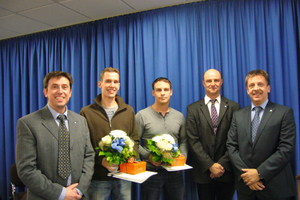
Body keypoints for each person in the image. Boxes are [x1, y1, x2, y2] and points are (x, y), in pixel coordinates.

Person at [16, 71, 95, 200]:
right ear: (45, 92)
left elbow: (89, 157)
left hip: (77, 196)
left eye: (64, 87)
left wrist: (79, 190)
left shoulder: (81, 121)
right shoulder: (27, 123)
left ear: (70, 92)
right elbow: (27, 170)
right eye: (54, 87)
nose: (60, 91)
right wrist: (61, 193)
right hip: (44, 196)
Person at [226, 69, 297, 199]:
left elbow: (286, 149)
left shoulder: (284, 113)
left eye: (260, 84)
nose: (256, 88)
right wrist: (248, 176)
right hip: (246, 187)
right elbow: (231, 146)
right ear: (247, 90)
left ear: (268, 88)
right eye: (251, 85)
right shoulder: (238, 115)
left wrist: (259, 173)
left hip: (275, 187)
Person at [79, 67, 140, 200]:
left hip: (124, 176)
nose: (112, 85)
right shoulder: (86, 112)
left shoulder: (128, 110)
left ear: (119, 85)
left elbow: (135, 139)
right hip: (98, 178)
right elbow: (82, 145)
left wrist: (132, 157)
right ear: (100, 84)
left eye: (115, 82)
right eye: (108, 81)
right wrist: (101, 161)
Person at [186, 69, 240, 200]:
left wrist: (221, 165)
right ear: (203, 83)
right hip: (203, 172)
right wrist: (210, 165)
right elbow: (193, 140)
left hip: (226, 170)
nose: (213, 83)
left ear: (221, 82)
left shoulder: (234, 107)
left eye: (216, 80)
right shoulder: (193, 109)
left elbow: (236, 139)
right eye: (209, 81)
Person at [136, 77, 188, 200]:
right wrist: (148, 156)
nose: (163, 93)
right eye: (159, 90)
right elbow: (134, 142)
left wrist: (183, 157)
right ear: (153, 92)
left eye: (166, 89)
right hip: (151, 172)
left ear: (171, 92)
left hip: (175, 172)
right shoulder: (142, 115)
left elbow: (184, 141)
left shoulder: (179, 116)